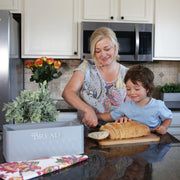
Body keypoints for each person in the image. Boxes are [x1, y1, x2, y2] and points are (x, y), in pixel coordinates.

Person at [62, 27, 129, 128]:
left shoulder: (127, 74)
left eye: (107, 49)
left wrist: (126, 115)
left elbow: (130, 106)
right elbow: (67, 93)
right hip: (87, 132)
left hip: (117, 133)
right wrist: (87, 109)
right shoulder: (86, 67)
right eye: (98, 51)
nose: (103, 54)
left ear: (116, 47)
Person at [108, 65, 172, 135]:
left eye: (137, 89)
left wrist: (164, 127)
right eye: (128, 89)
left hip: (153, 138)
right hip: (134, 139)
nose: (132, 92)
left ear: (148, 89)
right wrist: (96, 115)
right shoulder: (125, 106)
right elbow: (111, 116)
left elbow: (168, 118)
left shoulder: (158, 105)